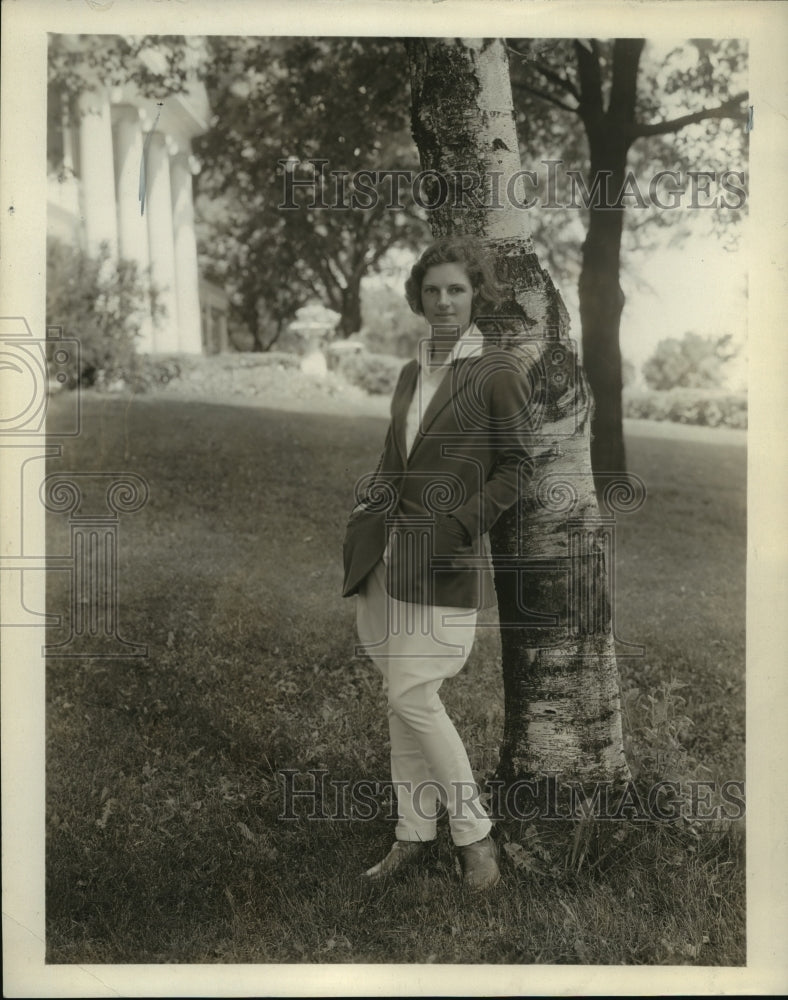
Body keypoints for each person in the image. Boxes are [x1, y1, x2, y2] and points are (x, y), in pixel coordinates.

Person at [342, 235, 536, 891]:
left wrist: (462, 522)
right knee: (402, 701)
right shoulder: (408, 373)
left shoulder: (497, 371)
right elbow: (392, 461)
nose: (445, 301)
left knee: (412, 694)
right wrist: (364, 513)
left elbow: (518, 467)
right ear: (418, 299)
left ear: (476, 295)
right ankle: (412, 834)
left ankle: (475, 837)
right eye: (433, 291)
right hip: (387, 554)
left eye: (457, 289)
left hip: (445, 555)